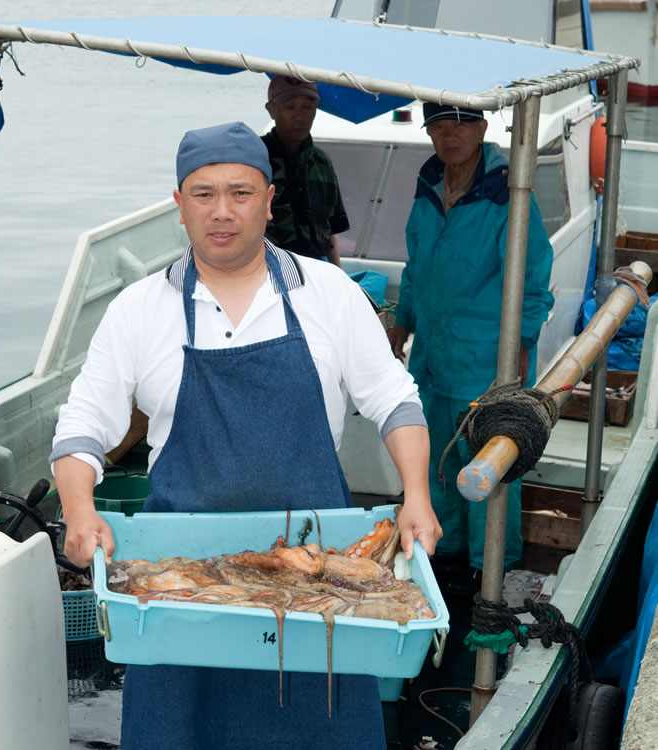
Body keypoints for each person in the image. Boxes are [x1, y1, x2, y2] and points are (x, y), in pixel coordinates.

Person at [51, 120, 442, 749]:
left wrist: (417, 496)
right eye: (203, 195)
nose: (222, 211)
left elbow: (395, 401)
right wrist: (77, 509)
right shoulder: (139, 308)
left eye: (240, 191)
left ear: (268, 198)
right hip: (179, 587)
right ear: (179, 206)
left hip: (320, 585)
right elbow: (82, 426)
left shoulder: (330, 294)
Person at [387, 103, 554, 596]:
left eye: (460, 125)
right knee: (437, 461)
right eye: (438, 126)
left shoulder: (508, 195)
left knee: (488, 468)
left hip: (486, 359)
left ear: (482, 129)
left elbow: (534, 280)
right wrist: (403, 321)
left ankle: (492, 570)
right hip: (433, 360)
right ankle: (450, 556)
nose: (449, 136)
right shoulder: (427, 187)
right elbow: (416, 265)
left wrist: (522, 344)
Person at [262, 75, 349, 267]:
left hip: (317, 269)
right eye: (290, 107)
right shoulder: (254, 158)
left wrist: (338, 277)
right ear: (271, 110)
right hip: (267, 270)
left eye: (307, 107)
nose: (299, 115)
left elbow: (330, 231)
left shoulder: (322, 162)